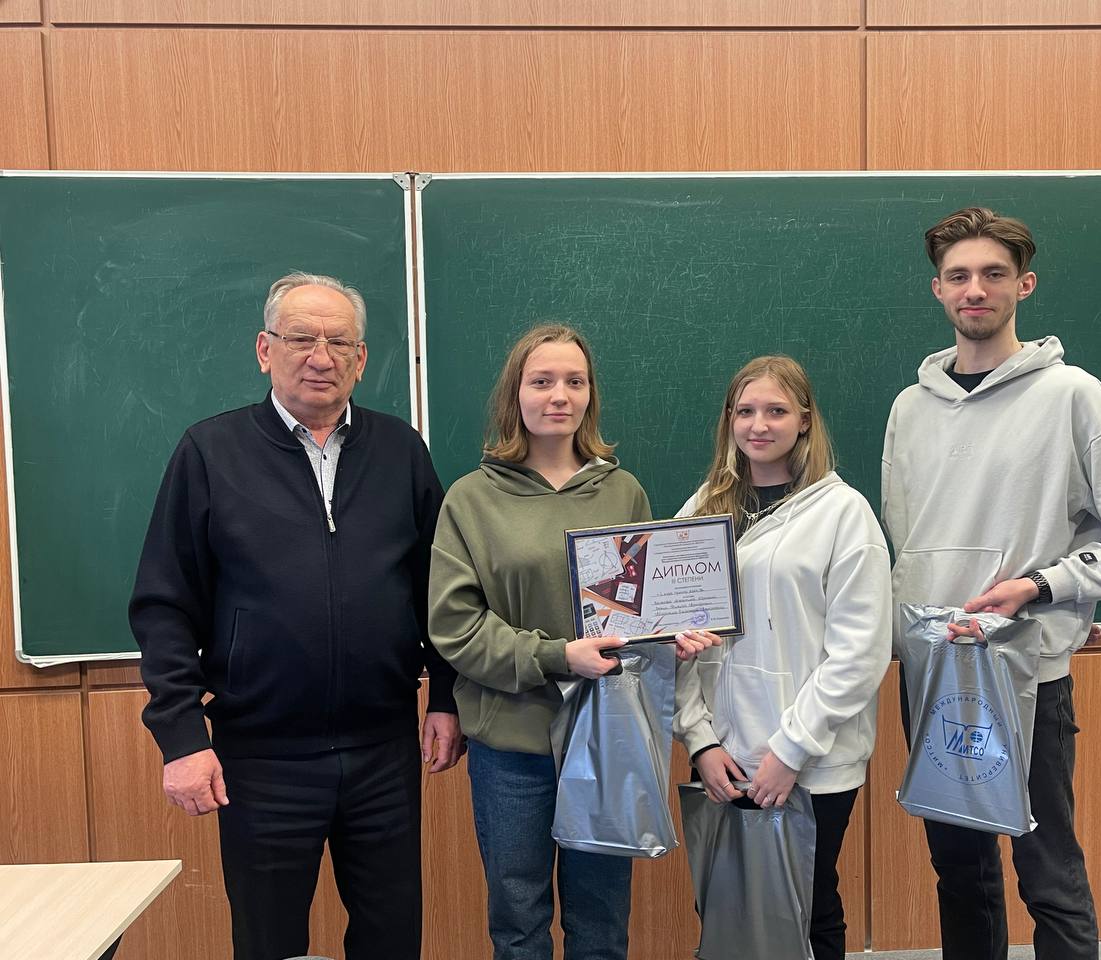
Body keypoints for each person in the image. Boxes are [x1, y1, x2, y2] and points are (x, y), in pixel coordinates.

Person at [129, 272, 463, 960]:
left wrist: (447, 697)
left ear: (361, 359)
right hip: (261, 758)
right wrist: (181, 736)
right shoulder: (210, 452)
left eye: (340, 342)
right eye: (301, 338)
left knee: (392, 937)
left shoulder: (401, 451)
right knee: (268, 943)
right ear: (265, 350)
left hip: (383, 751)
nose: (321, 356)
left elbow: (440, 588)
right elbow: (164, 604)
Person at [881, 207, 1101, 960]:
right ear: (938, 290)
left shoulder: (1072, 395)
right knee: (960, 873)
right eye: (958, 276)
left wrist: (1047, 587)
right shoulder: (910, 408)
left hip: (1027, 677)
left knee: (1047, 871)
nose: (975, 289)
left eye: (993, 274)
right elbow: (905, 545)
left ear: (1025, 285)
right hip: (933, 674)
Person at [428, 323, 718, 960]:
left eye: (574, 381)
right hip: (512, 745)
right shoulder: (470, 500)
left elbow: (638, 611)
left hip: (606, 739)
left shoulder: (622, 491)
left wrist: (672, 634)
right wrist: (557, 656)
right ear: (516, 393)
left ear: (590, 395)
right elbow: (456, 625)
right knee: (518, 922)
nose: (559, 395)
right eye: (542, 381)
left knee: (601, 923)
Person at [673, 355, 892, 960]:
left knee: (808, 905)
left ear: (805, 420)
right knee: (726, 905)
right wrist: (699, 741)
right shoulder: (703, 510)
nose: (759, 425)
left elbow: (860, 652)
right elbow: (678, 641)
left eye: (776, 410)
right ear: (729, 420)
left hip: (811, 761)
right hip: (723, 755)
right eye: (745, 411)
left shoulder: (843, 514)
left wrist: (790, 751)